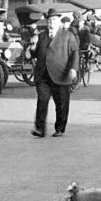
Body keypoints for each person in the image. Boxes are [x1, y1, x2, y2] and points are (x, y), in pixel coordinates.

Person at [30, 8, 77, 138]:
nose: (52, 22)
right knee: (42, 101)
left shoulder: (67, 35)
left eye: (54, 20)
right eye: (50, 20)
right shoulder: (41, 36)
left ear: (59, 22)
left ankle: (60, 128)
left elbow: (75, 53)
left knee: (61, 104)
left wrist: (73, 69)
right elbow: (35, 54)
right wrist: (33, 47)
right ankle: (40, 129)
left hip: (61, 74)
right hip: (43, 75)